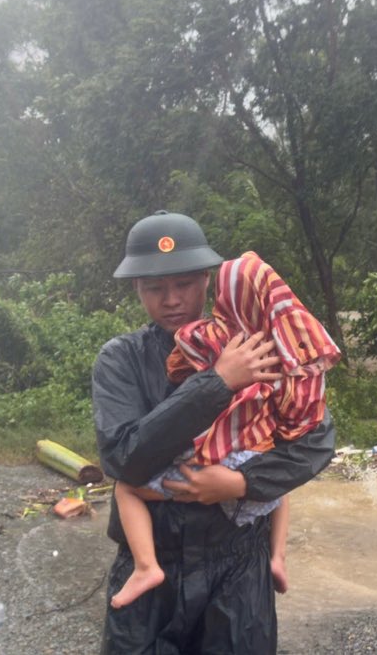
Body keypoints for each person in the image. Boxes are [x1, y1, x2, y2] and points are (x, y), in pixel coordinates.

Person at [93, 211, 336, 653]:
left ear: (207, 280)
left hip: (238, 569)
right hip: (154, 569)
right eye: (155, 288)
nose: (171, 299)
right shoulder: (121, 359)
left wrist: (242, 483)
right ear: (137, 288)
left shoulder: (259, 344)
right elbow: (123, 458)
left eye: (184, 283)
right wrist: (218, 382)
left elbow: (314, 441)